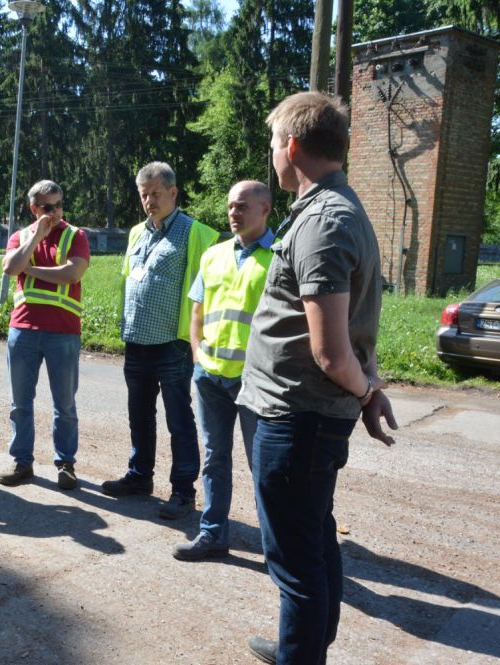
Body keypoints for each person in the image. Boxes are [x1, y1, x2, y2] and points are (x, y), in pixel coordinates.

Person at [236, 92, 397, 665]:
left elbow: (331, 352)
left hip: (294, 419)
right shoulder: (327, 212)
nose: (271, 154)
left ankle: (299, 652)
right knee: (314, 540)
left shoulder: (326, 222)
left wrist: (368, 391)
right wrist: (368, 391)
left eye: (274, 143)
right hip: (297, 416)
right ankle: (297, 646)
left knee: (295, 563)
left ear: (294, 146)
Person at [101, 161, 219, 521]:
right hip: (136, 339)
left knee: (178, 418)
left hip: (173, 342)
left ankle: (183, 490)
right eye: (144, 194)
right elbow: (129, 280)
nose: (149, 200)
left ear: (173, 193)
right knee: (139, 414)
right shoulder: (138, 232)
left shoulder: (193, 233)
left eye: (155, 193)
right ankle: (140, 476)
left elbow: (203, 293)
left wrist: (195, 340)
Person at [172, 180, 274, 561]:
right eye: (231, 205)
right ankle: (213, 534)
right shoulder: (213, 255)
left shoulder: (279, 257)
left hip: (256, 383)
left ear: (265, 209)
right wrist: (198, 357)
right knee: (215, 457)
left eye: (243, 206)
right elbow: (196, 311)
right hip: (211, 376)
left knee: (263, 465)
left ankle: (275, 546)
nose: (234, 212)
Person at [0, 180, 91, 490]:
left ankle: (65, 464)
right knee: (19, 403)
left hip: (63, 332)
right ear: (34, 208)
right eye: (47, 207)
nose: (54, 212)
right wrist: (36, 236)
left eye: (58, 205)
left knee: (64, 404)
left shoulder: (75, 235)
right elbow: (11, 268)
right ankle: (22, 462)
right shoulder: (21, 236)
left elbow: (72, 273)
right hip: (23, 329)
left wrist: (32, 270)